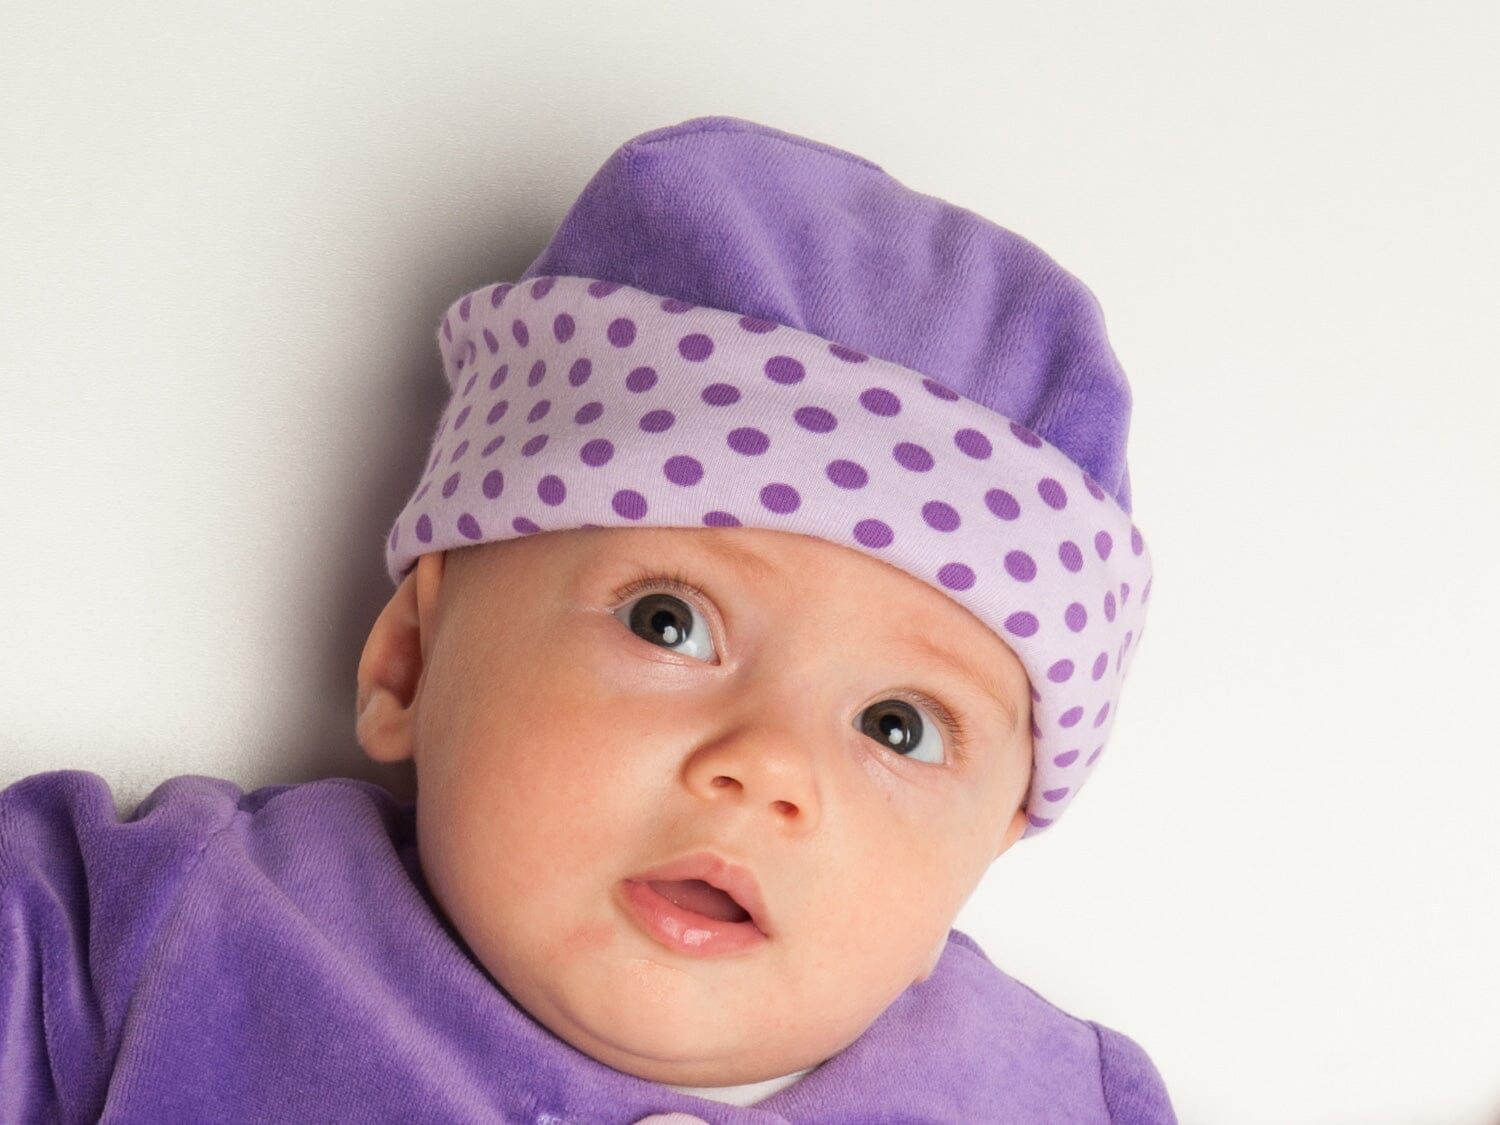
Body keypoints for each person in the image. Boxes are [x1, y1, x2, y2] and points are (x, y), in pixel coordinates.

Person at [0, 116, 1175, 1123]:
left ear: (984, 854)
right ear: (412, 659)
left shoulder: (1055, 1101)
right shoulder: (158, 929)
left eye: (899, 727)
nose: (768, 765)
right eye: (669, 622)